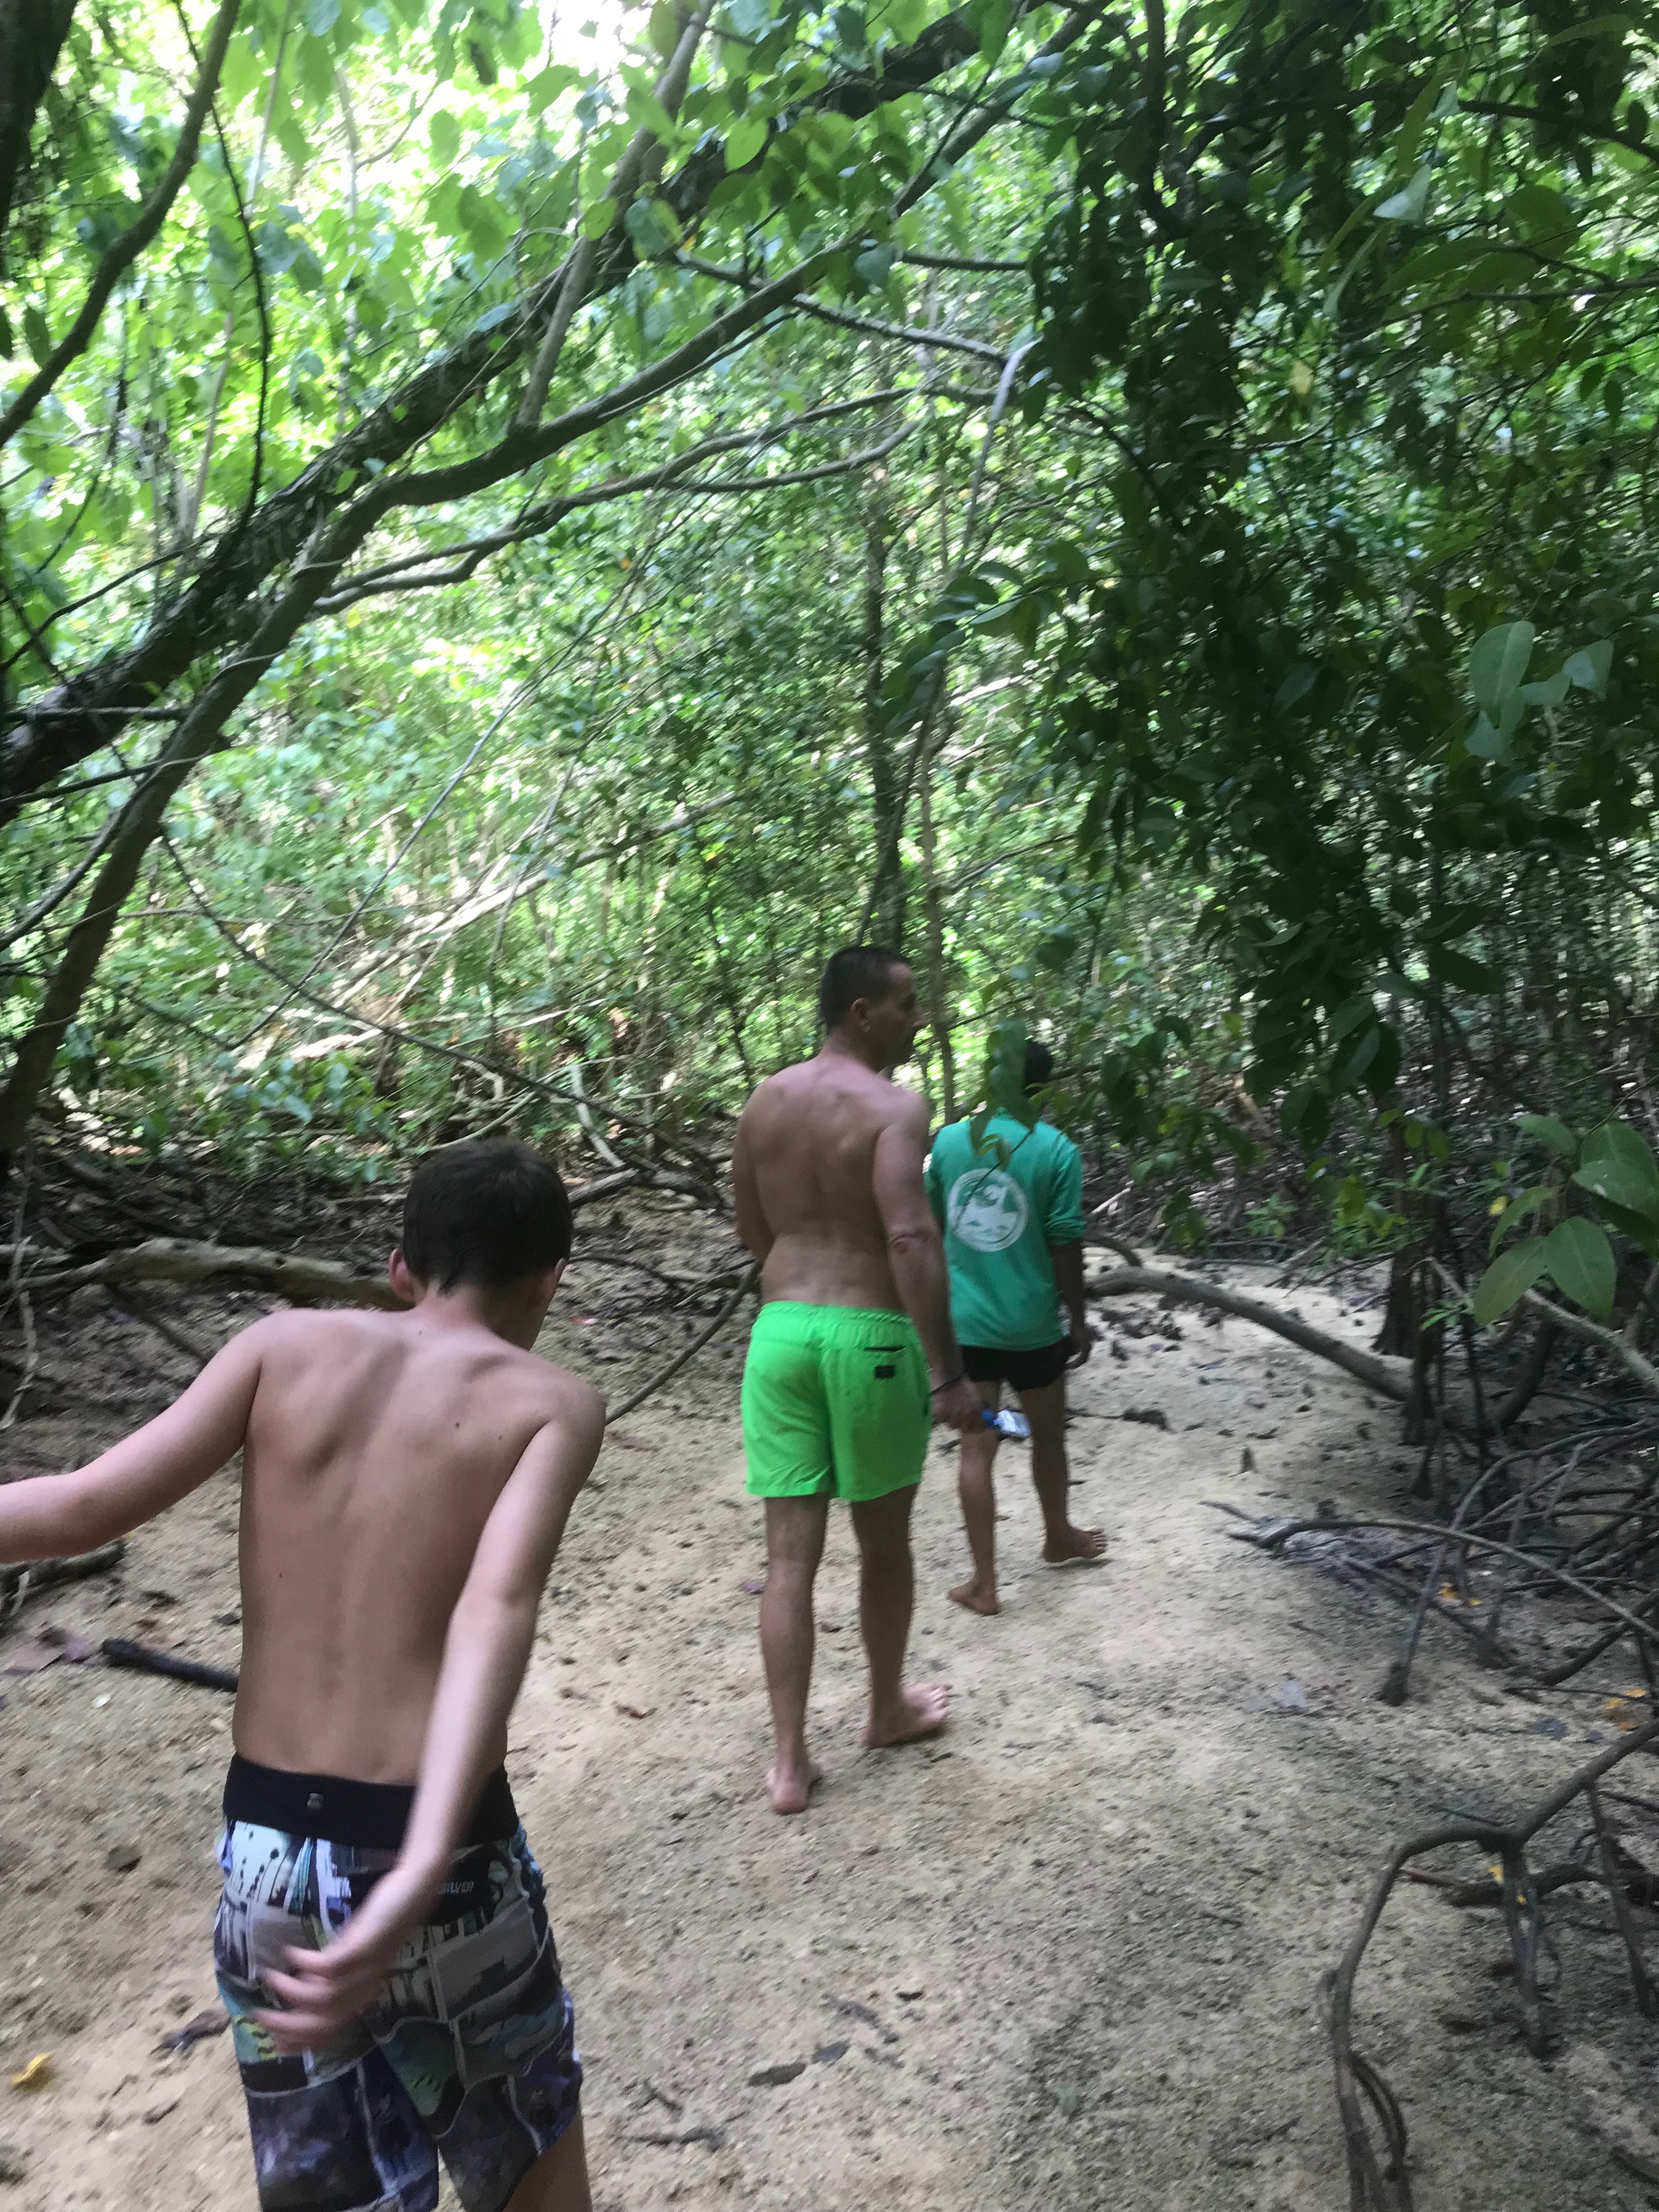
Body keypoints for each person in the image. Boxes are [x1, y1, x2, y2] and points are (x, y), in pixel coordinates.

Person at [0, 1139, 605, 2212]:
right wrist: (422, 1862)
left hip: (267, 1867)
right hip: (440, 1861)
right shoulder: (552, 1404)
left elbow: (81, 1506)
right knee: (531, 2167)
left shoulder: (278, 1346)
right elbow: (494, 1605)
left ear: (400, 1268)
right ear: (550, 1279)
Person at [731, 944, 984, 1814]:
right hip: (870, 1337)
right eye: (908, 1005)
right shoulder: (896, 1108)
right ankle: (884, 1709)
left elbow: (752, 1223)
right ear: (861, 1013)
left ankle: (789, 1764)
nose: (920, 1020)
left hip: (781, 1333)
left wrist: (797, 1281)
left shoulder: (765, 1100)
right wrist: (948, 1374)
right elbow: (910, 1236)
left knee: (787, 1560)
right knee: (884, 1545)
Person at [926, 1039, 1106, 1615]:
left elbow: (930, 1228)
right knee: (1047, 1436)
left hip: (967, 1329)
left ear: (991, 1077)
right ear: (1043, 1088)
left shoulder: (949, 1142)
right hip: (1032, 1328)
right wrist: (1078, 1321)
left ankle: (984, 1583)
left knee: (976, 1448)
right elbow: (1065, 1242)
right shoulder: (1056, 1149)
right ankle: (1057, 1535)